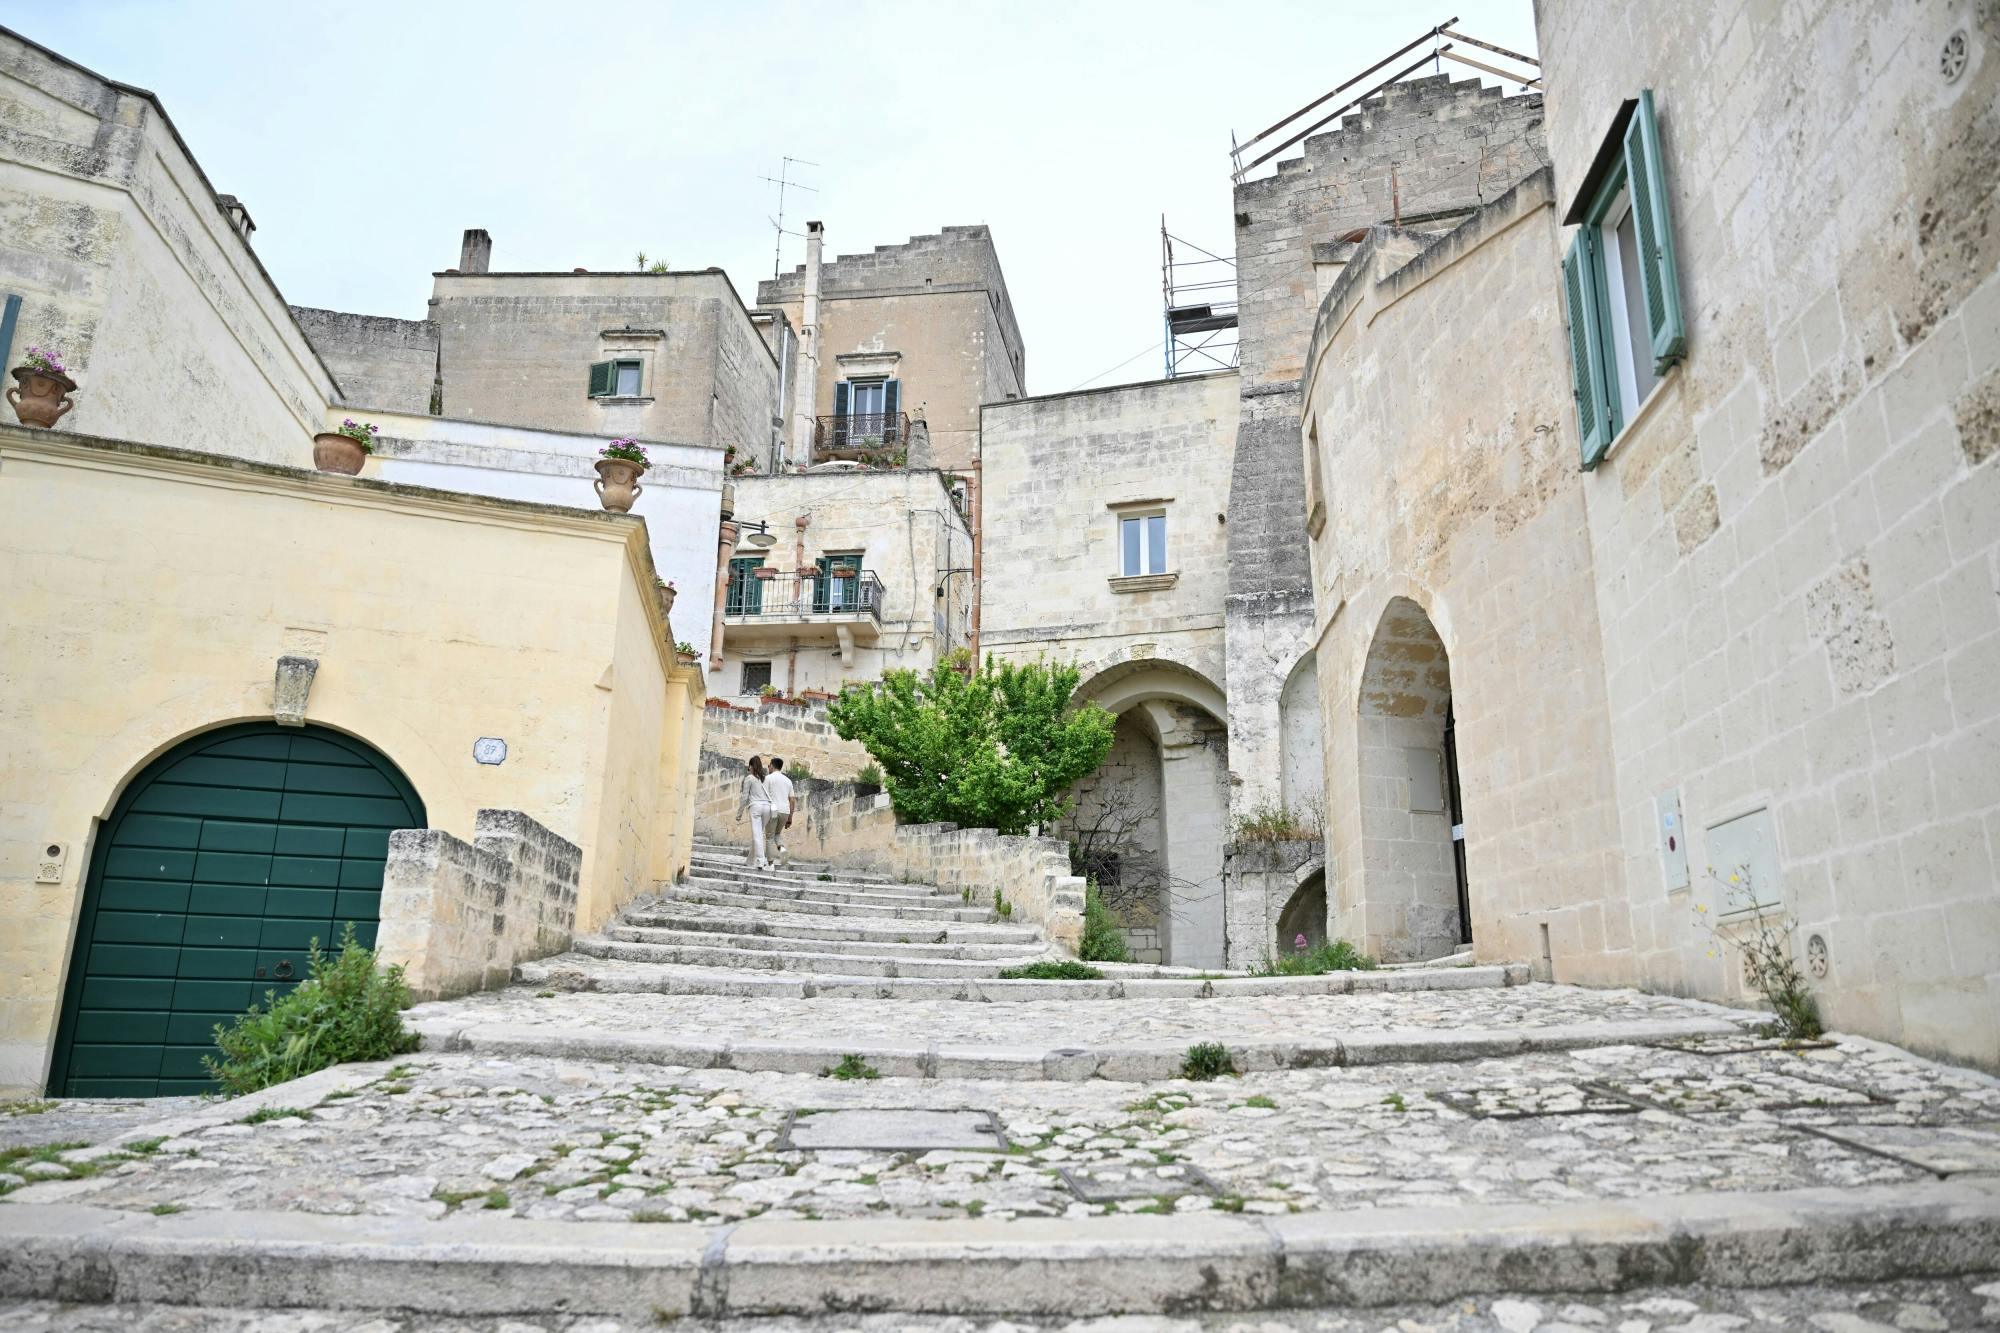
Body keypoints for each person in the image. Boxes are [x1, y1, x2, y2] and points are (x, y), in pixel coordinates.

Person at [740, 756, 773, 870]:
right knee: (758, 834)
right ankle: (750, 860)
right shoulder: (766, 778)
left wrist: (739, 813)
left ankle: (760, 860)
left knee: (757, 835)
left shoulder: (749, 778)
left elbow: (744, 797)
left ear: (750, 766)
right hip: (767, 808)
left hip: (756, 807)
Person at [764, 757, 794, 869]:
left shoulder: (768, 778)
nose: (768, 768)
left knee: (769, 837)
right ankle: (783, 850)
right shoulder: (788, 781)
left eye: (769, 766)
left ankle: (770, 863)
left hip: (772, 810)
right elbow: (792, 800)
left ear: (772, 765)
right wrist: (790, 817)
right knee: (777, 834)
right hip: (785, 811)